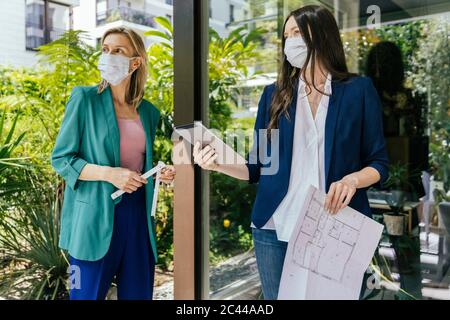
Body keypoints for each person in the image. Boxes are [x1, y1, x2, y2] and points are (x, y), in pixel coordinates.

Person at [193, 5, 389, 300]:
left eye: (297, 32)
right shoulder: (274, 94)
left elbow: (378, 162)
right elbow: (258, 167)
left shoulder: (358, 90)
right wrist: (217, 163)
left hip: (333, 225)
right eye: (287, 35)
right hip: (275, 227)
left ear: (321, 34)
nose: (290, 41)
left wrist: (352, 181)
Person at [51, 27, 175, 300]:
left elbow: (139, 164)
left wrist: (159, 173)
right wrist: (110, 174)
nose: (108, 55)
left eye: (118, 50)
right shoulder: (84, 99)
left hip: (138, 219)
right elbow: (61, 159)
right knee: (84, 296)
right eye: (105, 49)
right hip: (92, 219)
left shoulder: (149, 112)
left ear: (135, 62)